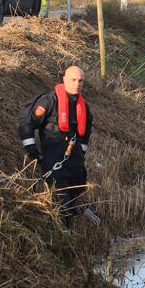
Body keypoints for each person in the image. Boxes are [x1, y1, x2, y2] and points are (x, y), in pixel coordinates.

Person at [18, 66, 93, 227]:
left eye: (80, 81)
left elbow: (86, 133)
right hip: (53, 154)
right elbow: (26, 125)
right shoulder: (48, 101)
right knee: (61, 197)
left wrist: (81, 154)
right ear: (64, 79)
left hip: (74, 157)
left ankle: (70, 221)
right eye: (73, 80)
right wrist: (32, 150)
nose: (77, 84)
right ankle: (63, 230)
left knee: (78, 188)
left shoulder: (84, 107)